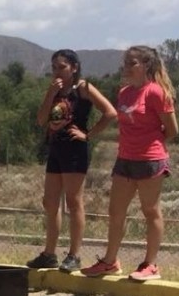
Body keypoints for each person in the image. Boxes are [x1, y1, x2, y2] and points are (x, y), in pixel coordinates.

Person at [81, 46, 179, 282]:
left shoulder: (156, 92)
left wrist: (150, 145)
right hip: (125, 159)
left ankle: (150, 264)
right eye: (125, 62)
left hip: (150, 161)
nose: (126, 67)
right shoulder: (124, 92)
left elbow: (173, 130)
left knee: (150, 211)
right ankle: (110, 261)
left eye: (131, 63)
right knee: (116, 211)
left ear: (146, 65)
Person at [27, 50, 116, 272]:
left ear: (74, 67)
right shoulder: (55, 91)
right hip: (56, 148)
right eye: (54, 67)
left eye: (62, 67)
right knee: (50, 202)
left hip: (75, 150)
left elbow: (110, 112)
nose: (57, 71)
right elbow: (41, 120)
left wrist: (89, 134)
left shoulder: (83, 88)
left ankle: (74, 255)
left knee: (74, 201)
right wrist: (50, 94)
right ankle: (49, 253)